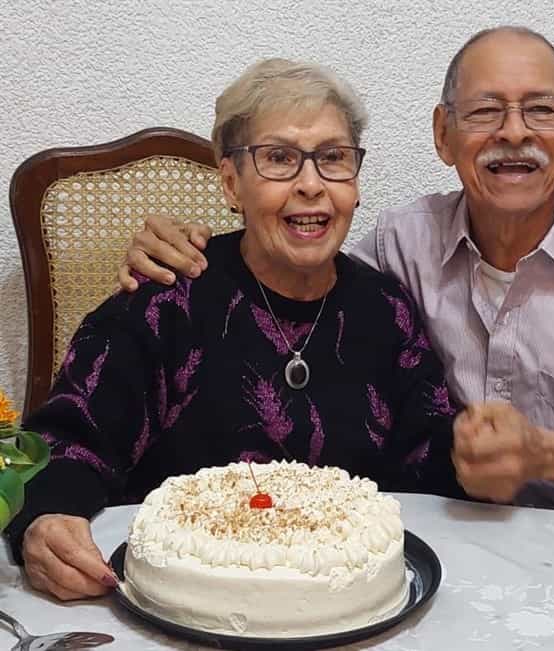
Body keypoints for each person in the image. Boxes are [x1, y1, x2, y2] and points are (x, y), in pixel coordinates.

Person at [121, 26, 554, 535]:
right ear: (444, 135)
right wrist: (183, 248)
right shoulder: (402, 245)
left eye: (541, 110)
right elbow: (297, 261)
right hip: (472, 539)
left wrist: (546, 456)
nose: (515, 133)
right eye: (485, 112)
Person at [6, 58, 463, 601]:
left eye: (334, 158)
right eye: (279, 159)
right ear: (231, 183)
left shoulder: (387, 311)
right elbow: (64, 443)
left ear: (356, 182)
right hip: (176, 616)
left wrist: (480, 461)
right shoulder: (165, 300)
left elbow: (428, 461)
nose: (312, 185)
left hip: (348, 614)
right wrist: (46, 517)